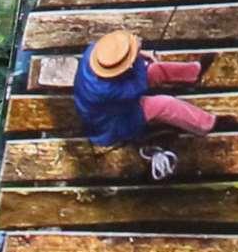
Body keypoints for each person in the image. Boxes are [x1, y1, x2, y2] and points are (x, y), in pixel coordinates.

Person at [77, 28, 210, 180]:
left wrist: (138, 55)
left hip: (107, 104)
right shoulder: (107, 90)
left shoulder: (94, 52)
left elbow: (120, 57)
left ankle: (193, 72)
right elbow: (139, 86)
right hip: (112, 123)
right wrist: (138, 58)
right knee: (164, 104)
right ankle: (206, 125)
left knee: (155, 69)